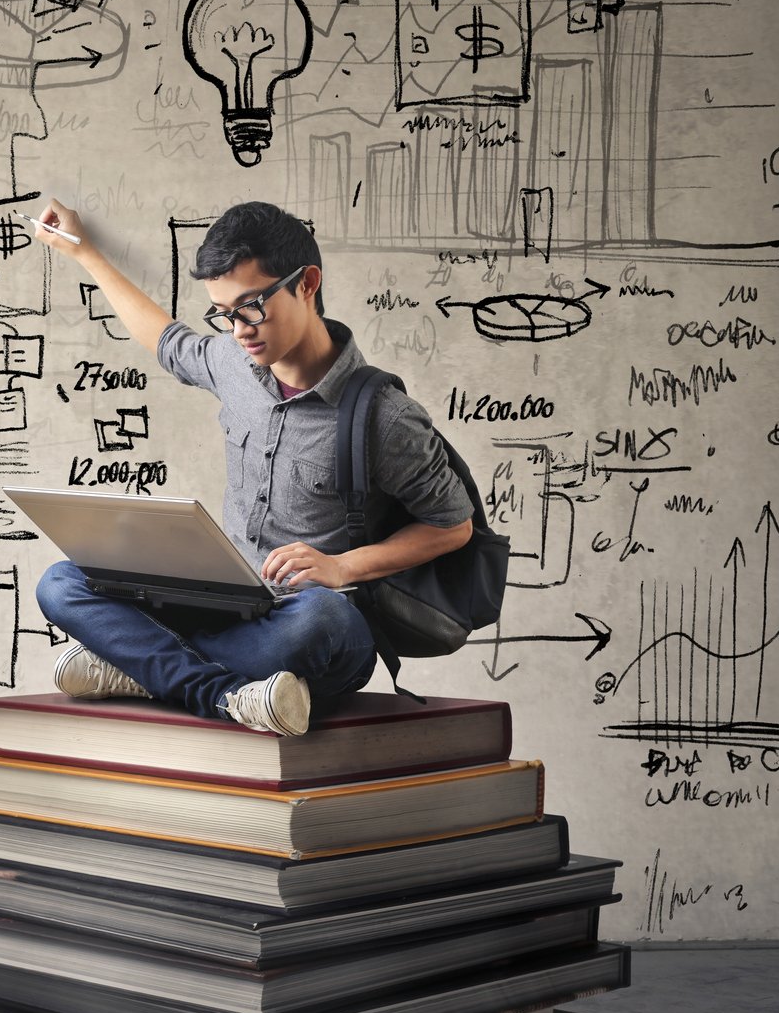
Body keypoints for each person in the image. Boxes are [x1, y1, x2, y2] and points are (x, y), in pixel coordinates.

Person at [26, 198, 475, 735]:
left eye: (251, 306)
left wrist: (342, 568)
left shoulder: (386, 416)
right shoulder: (234, 363)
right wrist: (85, 252)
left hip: (302, 622)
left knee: (321, 621)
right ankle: (226, 695)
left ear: (307, 284)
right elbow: (168, 341)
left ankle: (142, 666)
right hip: (217, 606)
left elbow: (453, 525)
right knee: (62, 581)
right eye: (223, 313)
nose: (239, 328)